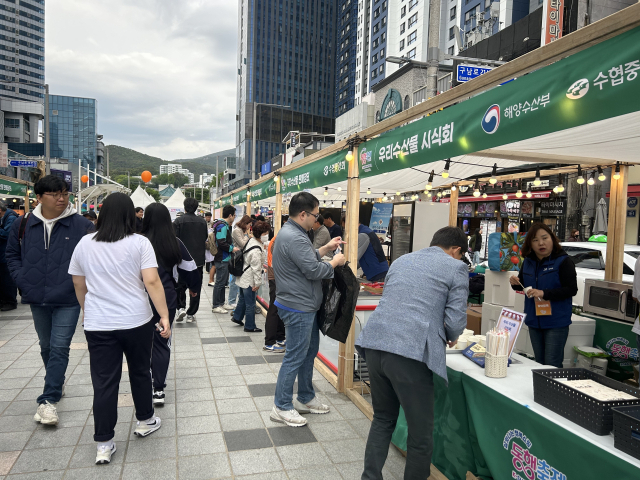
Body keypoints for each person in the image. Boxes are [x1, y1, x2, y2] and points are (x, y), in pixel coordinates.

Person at [355, 226, 469, 480]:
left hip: (375, 342)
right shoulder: (456, 267)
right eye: (461, 255)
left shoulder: (402, 260)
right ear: (456, 250)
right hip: (410, 352)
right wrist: (451, 335)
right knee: (420, 434)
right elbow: (455, 322)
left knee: (383, 419)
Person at [68, 193, 170, 465]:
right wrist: (164, 315)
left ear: (101, 214)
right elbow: (152, 282)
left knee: (104, 382)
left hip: (99, 324)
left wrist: (88, 311)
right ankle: (146, 420)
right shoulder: (140, 243)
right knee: (140, 371)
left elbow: (79, 284)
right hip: (136, 321)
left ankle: (104, 443)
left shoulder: (84, 243)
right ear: (130, 215)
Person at [6, 176, 94, 426]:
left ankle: (48, 400)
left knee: (59, 346)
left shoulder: (80, 225)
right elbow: (12, 254)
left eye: (65, 193)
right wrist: (21, 278)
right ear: (39, 197)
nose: (61, 198)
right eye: (55, 194)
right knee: (45, 346)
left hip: (68, 297)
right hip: (36, 295)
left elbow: (94, 258)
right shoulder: (23, 224)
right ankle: (56, 381)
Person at [271, 192, 346, 427]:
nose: (316, 219)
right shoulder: (295, 236)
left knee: (308, 352)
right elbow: (314, 271)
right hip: (298, 307)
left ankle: (305, 397)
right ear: (303, 214)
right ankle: (281, 406)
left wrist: (325, 249)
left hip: (302, 305)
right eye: (315, 215)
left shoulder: (294, 233)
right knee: (295, 356)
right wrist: (335, 262)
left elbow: (307, 258)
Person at [141, 203, 201, 405]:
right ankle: (158, 389)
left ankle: (143, 383)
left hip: (138, 297)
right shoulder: (174, 242)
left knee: (140, 342)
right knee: (161, 341)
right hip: (165, 298)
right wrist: (193, 289)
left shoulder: (136, 241)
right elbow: (191, 269)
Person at [510, 223, 578, 368]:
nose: (541, 243)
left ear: (552, 239)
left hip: (556, 322)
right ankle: (541, 390)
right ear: (530, 244)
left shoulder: (563, 261)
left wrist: (544, 293)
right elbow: (522, 284)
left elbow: (571, 289)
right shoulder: (528, 261)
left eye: (544, 238)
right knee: (539, 363)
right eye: (535, 240)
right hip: (534, 320)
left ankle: (553, 390)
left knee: (552, 364)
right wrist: (515, 282)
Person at [173, 197, 208, 322]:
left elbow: (174, 240)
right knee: (195, 287)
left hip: (182, 261)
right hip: (197, 261)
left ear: (185, 207)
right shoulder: (203, 222)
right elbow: (205, 238)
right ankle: (191, 314)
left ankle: (181, 307)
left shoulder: (178, 221)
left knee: (180, 286)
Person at [232, 221, 270, 333]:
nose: (267, 235)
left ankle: (237, 317)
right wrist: (257, 284)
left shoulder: (251, 241)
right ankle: (250, 326)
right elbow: (256, 268)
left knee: (243, 299)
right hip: (249, 279)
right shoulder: (256, 250)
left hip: (243, 276)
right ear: (260, 234)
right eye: (266, 233)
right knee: (250, 304)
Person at [212, 205, 240, 313]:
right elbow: (221, 242)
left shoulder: (220, 224)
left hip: (223, 257)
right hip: (222, 257)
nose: (234, 217)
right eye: (234, 215)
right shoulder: (222, 226)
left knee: (223, 282)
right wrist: (232, 248)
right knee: (220, 282)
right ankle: (216, 305)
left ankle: (221, 303)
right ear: (230, 215)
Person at [264, 221, 286, 353]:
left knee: (278, 308)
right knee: (274, 308)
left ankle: (279, 336)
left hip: (276, 276)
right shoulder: (279, 240)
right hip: (276, 277)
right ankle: (269, 342)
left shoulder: (278, 238)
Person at [229, 215, 252, 308]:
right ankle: (231, 300)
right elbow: (243, 244)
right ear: (245, 223)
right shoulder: (237, 231)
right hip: (237, 258)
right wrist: (248, 236)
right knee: (235, 279)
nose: (249, 227)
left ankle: (236, 300)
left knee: (239, 279)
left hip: (242, 257)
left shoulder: (242, 231)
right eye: (249, 225)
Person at [0, 201, 18, 311]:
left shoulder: (11, 218)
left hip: (6, 254)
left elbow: (7, 234)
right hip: (2, 254)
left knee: (7, 279)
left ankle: (10, 302)